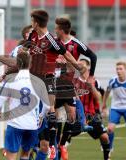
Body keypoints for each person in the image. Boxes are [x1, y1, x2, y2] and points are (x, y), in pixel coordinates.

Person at [0, 9, 86, 160]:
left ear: (36, 22)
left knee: (50, 110)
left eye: (32, 20)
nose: (31, 23)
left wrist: (77, 65)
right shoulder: (33, 36)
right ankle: (33, 143)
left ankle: (52, 145)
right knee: (33, 127)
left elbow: (65, 53)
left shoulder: (52, 40)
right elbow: (22, 59)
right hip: (31, 81)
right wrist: (7, 69)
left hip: (47, 81)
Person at [54, 17, 97, 159]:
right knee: (52, 116)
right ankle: (54, 146)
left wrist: (91, 76)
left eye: (56, 28)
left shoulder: (76, 44)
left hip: (67, 82)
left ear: (61, 30)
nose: (54, 30)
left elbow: (93, 56)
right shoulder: (54, 42)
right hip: (52, 81)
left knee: (69, 117)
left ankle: (60, 145)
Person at [0, 51, 50, 160]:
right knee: (25, 154)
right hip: (32, 126)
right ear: (30, 64)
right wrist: (41, 117)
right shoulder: (39, 81)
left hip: (15, 124)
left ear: (17, 64)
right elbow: (47, 106)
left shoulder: (10, 80)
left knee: (11, 156)